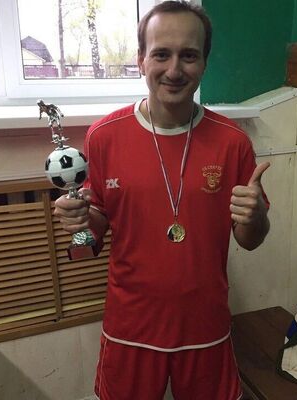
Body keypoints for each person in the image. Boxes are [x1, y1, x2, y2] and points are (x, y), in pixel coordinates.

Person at [54, 1, 270, 399]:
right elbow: (99, 219)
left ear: (204, 63)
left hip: (205, 327)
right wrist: (81, 217)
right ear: (140, 60)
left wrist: (255, 216)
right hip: (130, 327)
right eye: (161, 54)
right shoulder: (104, 136)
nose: (174, 70)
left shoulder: (233, 142)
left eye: (188, 55)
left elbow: (250, 239)